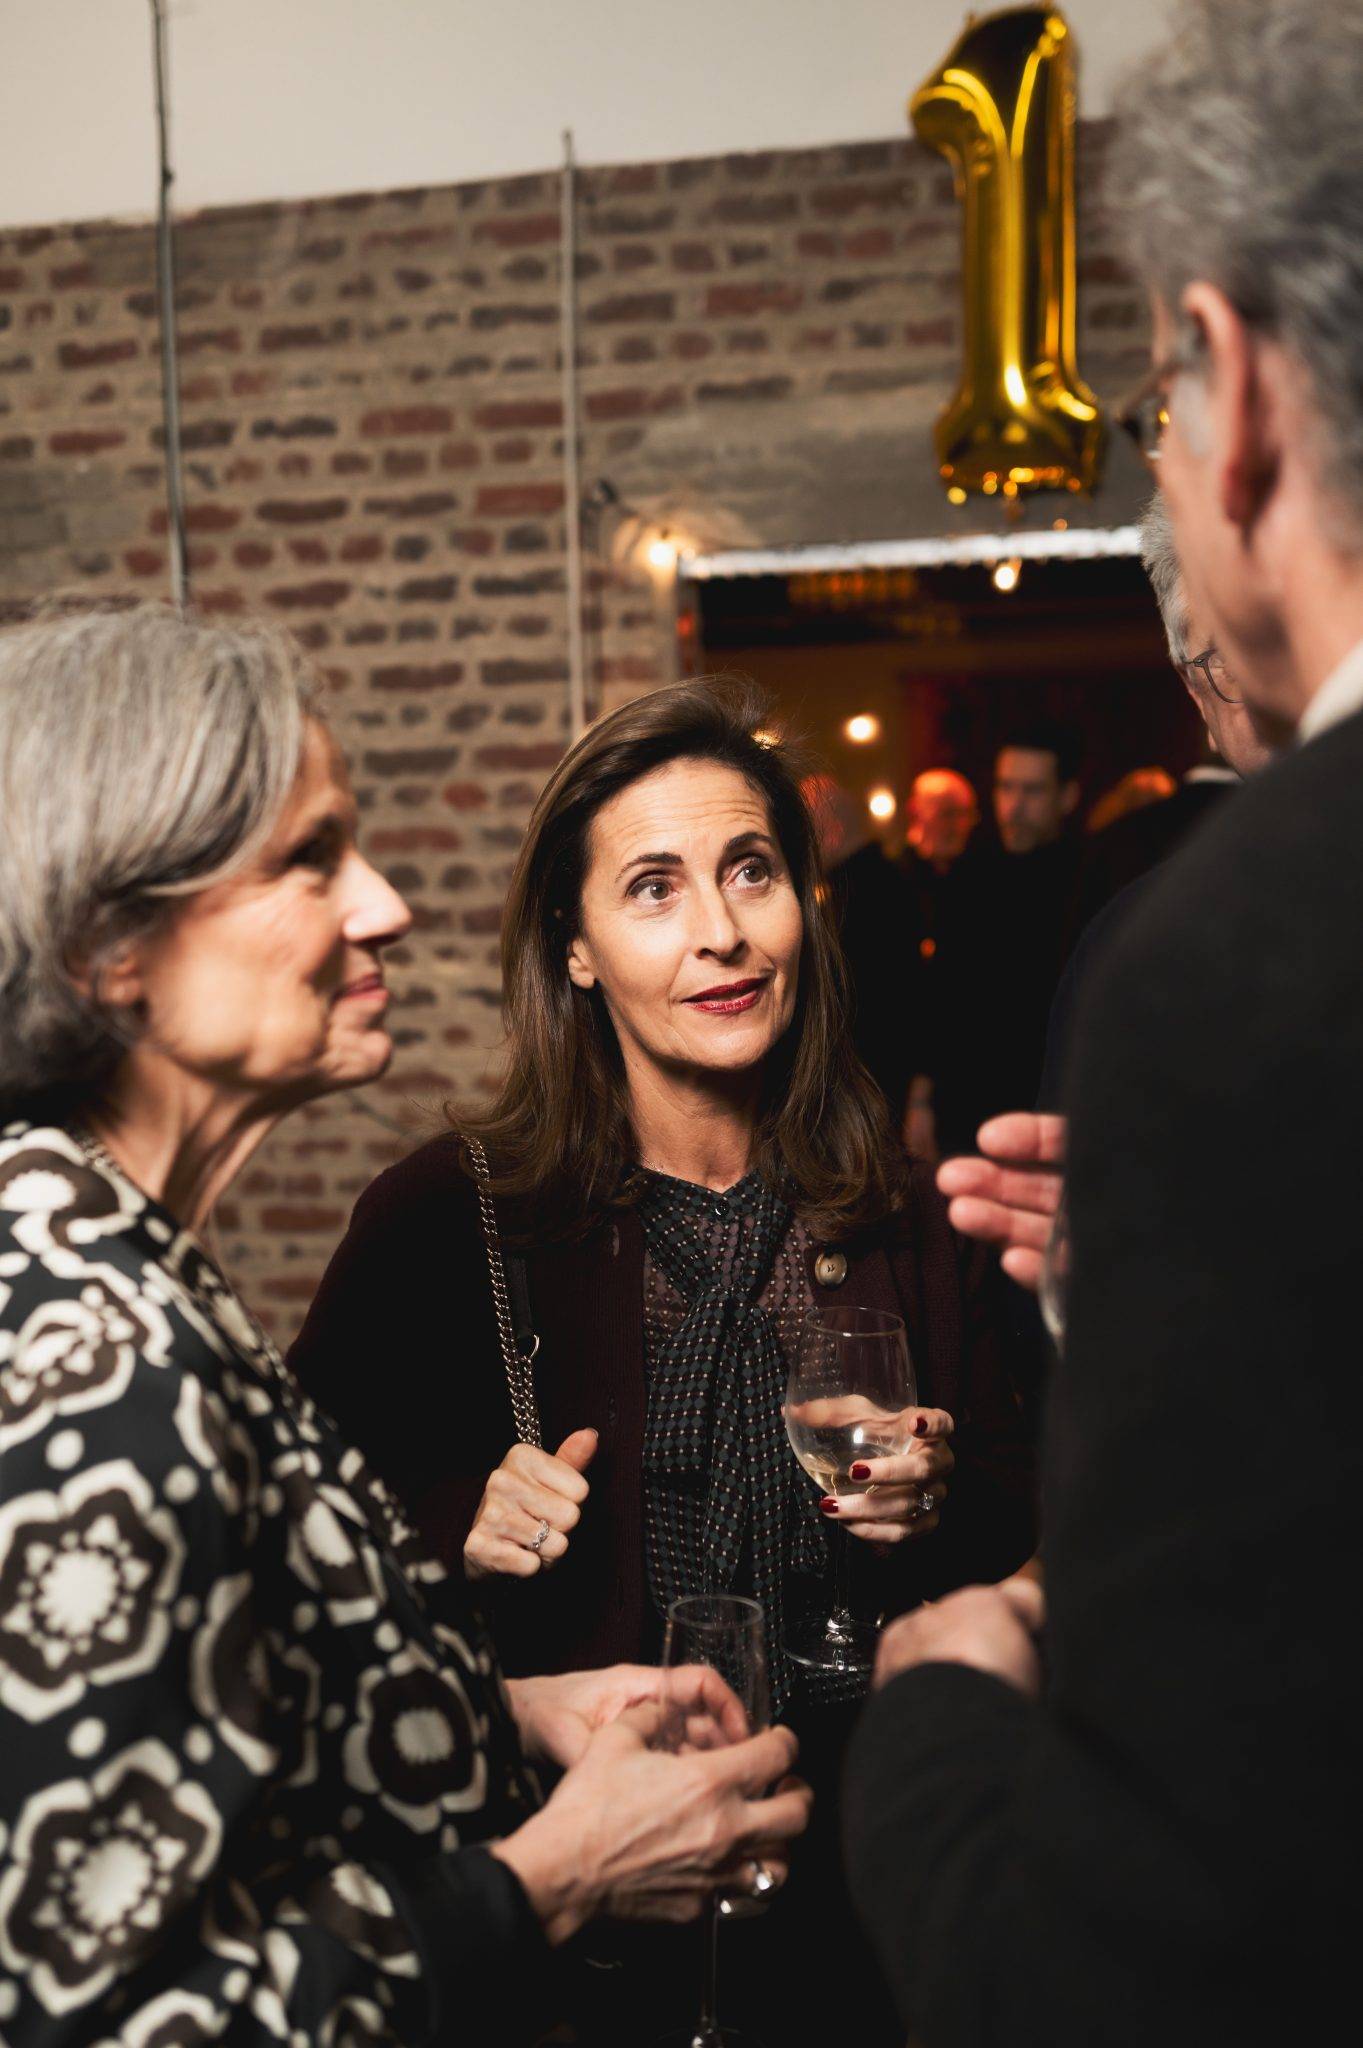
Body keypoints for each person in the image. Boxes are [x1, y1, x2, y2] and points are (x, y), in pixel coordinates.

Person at [0, 605, 811, 2048]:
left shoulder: (116, 1262)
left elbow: (216, 1722)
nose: (383, 903)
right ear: (110, 946)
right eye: (310, 859)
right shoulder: (97, 1356)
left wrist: (502, 1712)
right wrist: (556, 1876)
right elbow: (113, 2018)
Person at [843, 3, 1363, 2040]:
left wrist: (943, 1715)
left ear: (1235, 392)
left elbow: (1138, 1964)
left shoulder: (1243, 949)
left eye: (1152, 396)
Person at [289, 677, 1037, 2041]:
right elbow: (288, 1569)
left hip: (871, 1912)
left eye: (747, 870)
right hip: (588, 1947)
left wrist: (942, 1503)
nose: (717, 932)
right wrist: (461, 1523)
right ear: (572, 947)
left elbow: (1039, 1538)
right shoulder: (448, 1220)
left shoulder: (915, 1214)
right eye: (651, 888)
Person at [805, 773, 917, 1125]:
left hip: (873, 1073)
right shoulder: (874, 879)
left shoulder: (861, 892)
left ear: (831, 829)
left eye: (807, 831)